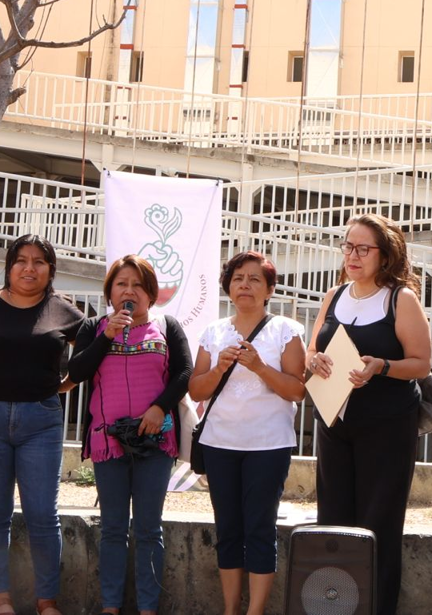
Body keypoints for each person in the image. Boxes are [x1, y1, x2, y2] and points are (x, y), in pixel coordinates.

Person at [0, 235, 85, 615]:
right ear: (9, 266)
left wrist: (63, 385)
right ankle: (1, 600)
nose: (29, 268)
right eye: (21, 260)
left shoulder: (65, 312)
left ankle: (47, 602)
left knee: (43, 514)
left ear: (50, 269)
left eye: (39, 261)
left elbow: (89, 360)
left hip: (41, 421)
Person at [306, 213, 432, 615]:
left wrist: (381, 366)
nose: (352, 255)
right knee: (333, 520)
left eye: (363, 248)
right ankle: (335, 606)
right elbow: (310, 351)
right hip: (334, 423)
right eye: (348, 245)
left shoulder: (401, 298)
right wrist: (315, 360)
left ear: (385, 254)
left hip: (387, 428)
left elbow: (422, 364)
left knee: (377, 525)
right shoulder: (334, 294)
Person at [67, 254, 193, 615]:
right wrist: (106, 335)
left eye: (138, 285)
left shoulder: (167, 326)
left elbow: (184, 373)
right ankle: (110, 606)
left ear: (151, 294)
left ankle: (148, 607)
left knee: (149, 528)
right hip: (107, 442)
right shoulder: (94, 327)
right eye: (122, 284)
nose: (130, 291)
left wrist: (158, 408)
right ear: (110, 292)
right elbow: (77, 371)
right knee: (112, 528)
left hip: (155, 441)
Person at [189, 251, 306, 615]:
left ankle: (254, 611)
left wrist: (258, 366)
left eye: (255, 279)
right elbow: (196, 390)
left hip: (269, 445)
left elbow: (297, 389)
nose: (245, 285)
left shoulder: (286, 330)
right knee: (228, 528)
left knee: (260, 526)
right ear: (228, 286)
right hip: (219, 443)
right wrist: (218, 369)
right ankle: (230, 608)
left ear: (269, 289)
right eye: (239, 277)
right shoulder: (214, 332)